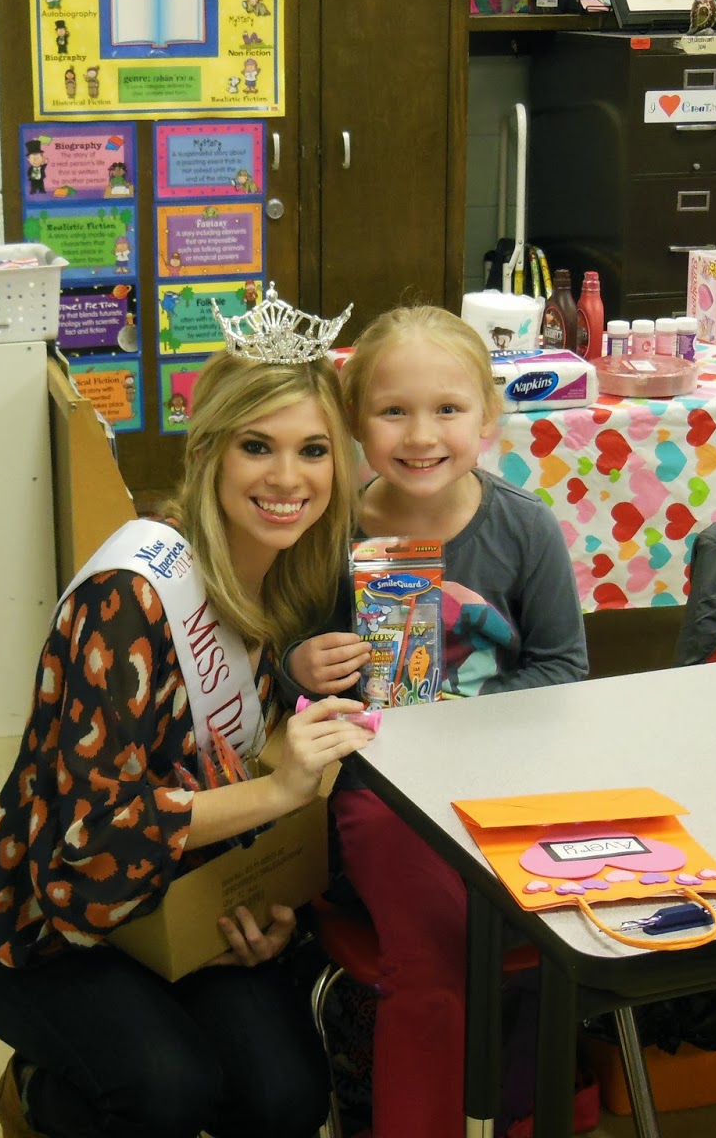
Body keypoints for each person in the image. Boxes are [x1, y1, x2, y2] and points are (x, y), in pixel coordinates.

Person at [0, 345, 376, 1138]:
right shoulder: (131, 596)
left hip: (189, 902)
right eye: (258, 446)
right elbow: (95, 837)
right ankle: (42, 1095)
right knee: (167, 1092)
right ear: (209, 450)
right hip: (57, 917)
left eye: (314, 450)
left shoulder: (293, 577)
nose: (288, 478)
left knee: (286, 1097)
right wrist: (278, 790)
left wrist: (270, 908)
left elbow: (236, 766)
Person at [284, 305, 589, 1137]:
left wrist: (468, 707)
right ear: (355, 422)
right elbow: (285, 666)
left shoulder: (523, 528)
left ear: (488, 416)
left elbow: (566, 670)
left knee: (554, 929)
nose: (421, 435)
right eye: (394, 411)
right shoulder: (329, 533)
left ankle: (529, 1103)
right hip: (379, 795)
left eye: (448, 409)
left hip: (505, 784)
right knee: (437, 948)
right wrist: (301, 667)